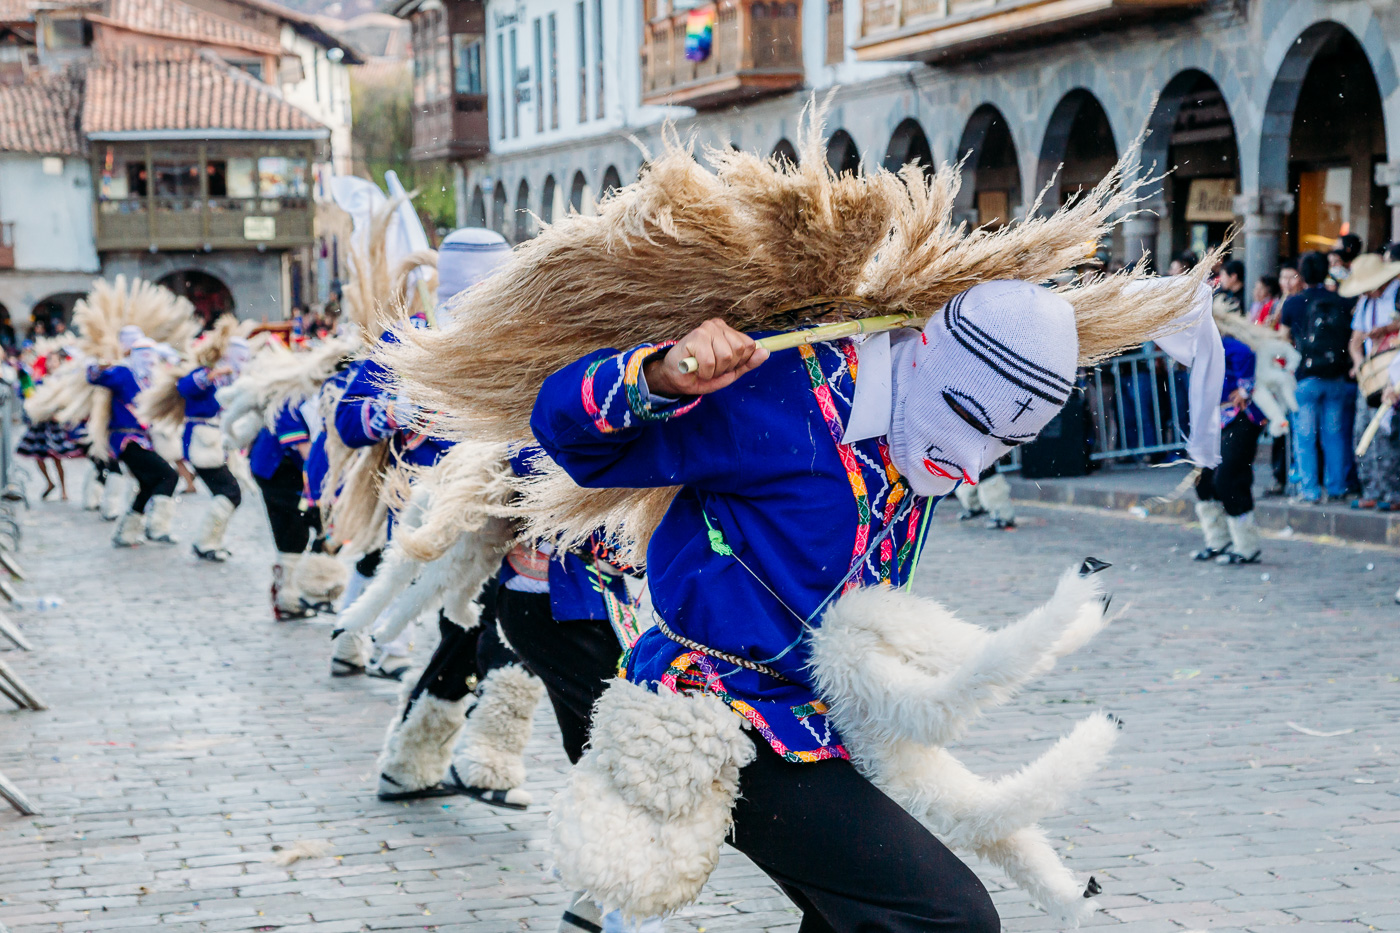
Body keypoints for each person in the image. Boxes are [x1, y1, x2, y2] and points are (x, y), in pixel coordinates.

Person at [532, 280, 1187, 933]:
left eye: (1005, 444)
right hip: (717, 710)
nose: (970, 471)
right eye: (966, 418)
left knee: (849, 917)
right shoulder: (780, 388)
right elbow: (566, 434)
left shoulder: (919, 417)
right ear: (928, 353)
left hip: (836, 717)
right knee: (944, 916)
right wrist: (661, 376)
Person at [1280, 251, 1358, 502]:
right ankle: (1336, 488)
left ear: (1301, 274)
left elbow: (1283, 341)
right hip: (1336, 376)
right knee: (1333, 436)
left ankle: (1310, 490)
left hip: (1305, 378)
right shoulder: (1342, 300)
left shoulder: (1293, 303)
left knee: (1305, 437)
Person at [87, 338, 180, 547]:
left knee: (148, 484)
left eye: (151, 354)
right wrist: (100, 364)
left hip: (144, 439)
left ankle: (126, 533)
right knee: (169, 476)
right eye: (143, 354)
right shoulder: (124, 373)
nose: (148, 359)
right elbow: (94, 377)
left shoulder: (152, 379)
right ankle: (157, 527)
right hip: (127, 440)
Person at [1194, 328, 1266, 563]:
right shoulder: (1196, 346)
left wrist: (1245, 388)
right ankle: (1219, 540)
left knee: (1229, 477)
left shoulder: (1219, 341)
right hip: (1217, 418)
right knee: (1202, 478)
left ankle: (1247, 545)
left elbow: (1245, 353)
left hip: (1242, 416)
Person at [177, 337, 251, 560]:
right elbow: (184, 387)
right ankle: (205, 542)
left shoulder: (233, 379)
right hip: (202, 443)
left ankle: (210, 542)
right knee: (230, 492)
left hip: (218, 444)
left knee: (229, 492)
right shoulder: (205, 373)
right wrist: (214, 374)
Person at [1342, 253, 1400, 508]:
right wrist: (1358, 363)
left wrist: (1387, 330)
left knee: (1389, 434)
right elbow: (1355, 341)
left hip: (1394, 373)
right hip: (1370, 375)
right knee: (1364, 432)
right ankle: (1372, 489)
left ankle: (1393, 492)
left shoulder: (1397, 294)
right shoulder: (1365, 302)